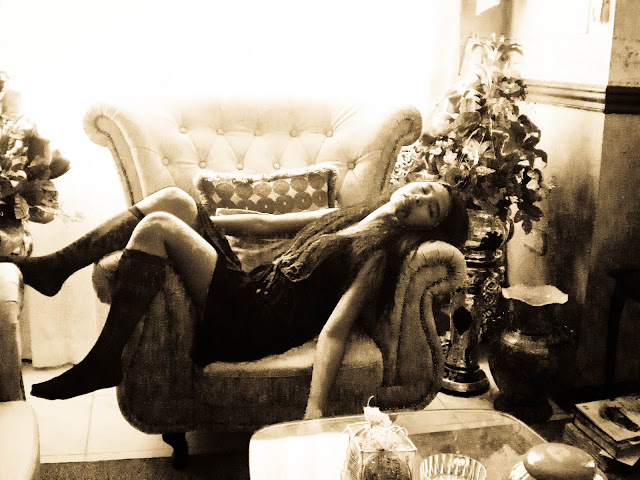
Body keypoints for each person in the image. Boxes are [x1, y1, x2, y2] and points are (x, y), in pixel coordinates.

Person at [4, 181, 468, 419]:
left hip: (256, 320)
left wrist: (314, 409)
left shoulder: (378, 257)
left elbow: (335, 330)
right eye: (426, 188)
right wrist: (203, 220)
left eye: (431, 208)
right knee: (174, 201)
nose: (419, 197)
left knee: (157, 229)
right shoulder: (348, 216)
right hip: (252, 287)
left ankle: (107, 357)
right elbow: (264, 225)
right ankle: (57, 267)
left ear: (428, 226)